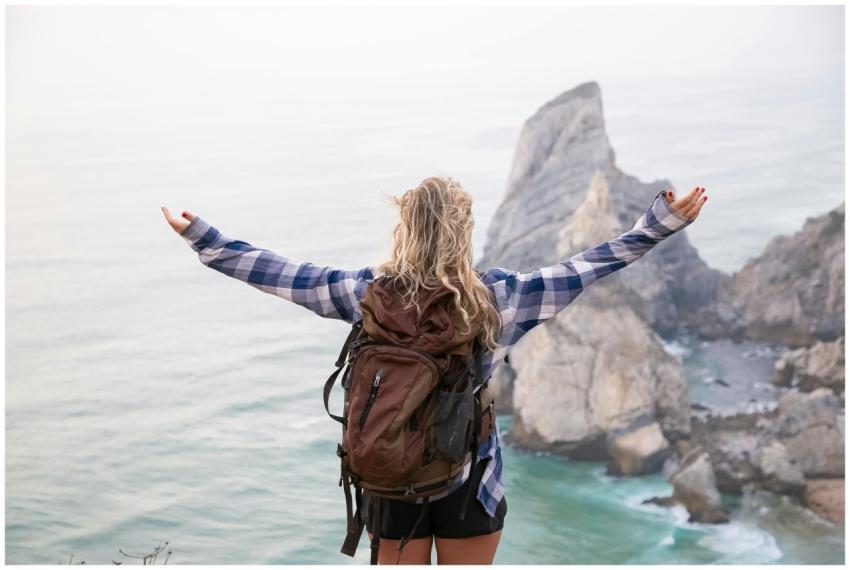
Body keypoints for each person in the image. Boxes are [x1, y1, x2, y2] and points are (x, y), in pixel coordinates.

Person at [162, 177, 707, 564]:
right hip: (471, 479)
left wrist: (205, 238)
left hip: (391, 479)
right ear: (462, 232)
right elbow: (589, 266)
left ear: (404, 229)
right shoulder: (501, 299)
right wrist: (658, 224)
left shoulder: (366, 294)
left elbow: (283, 274)